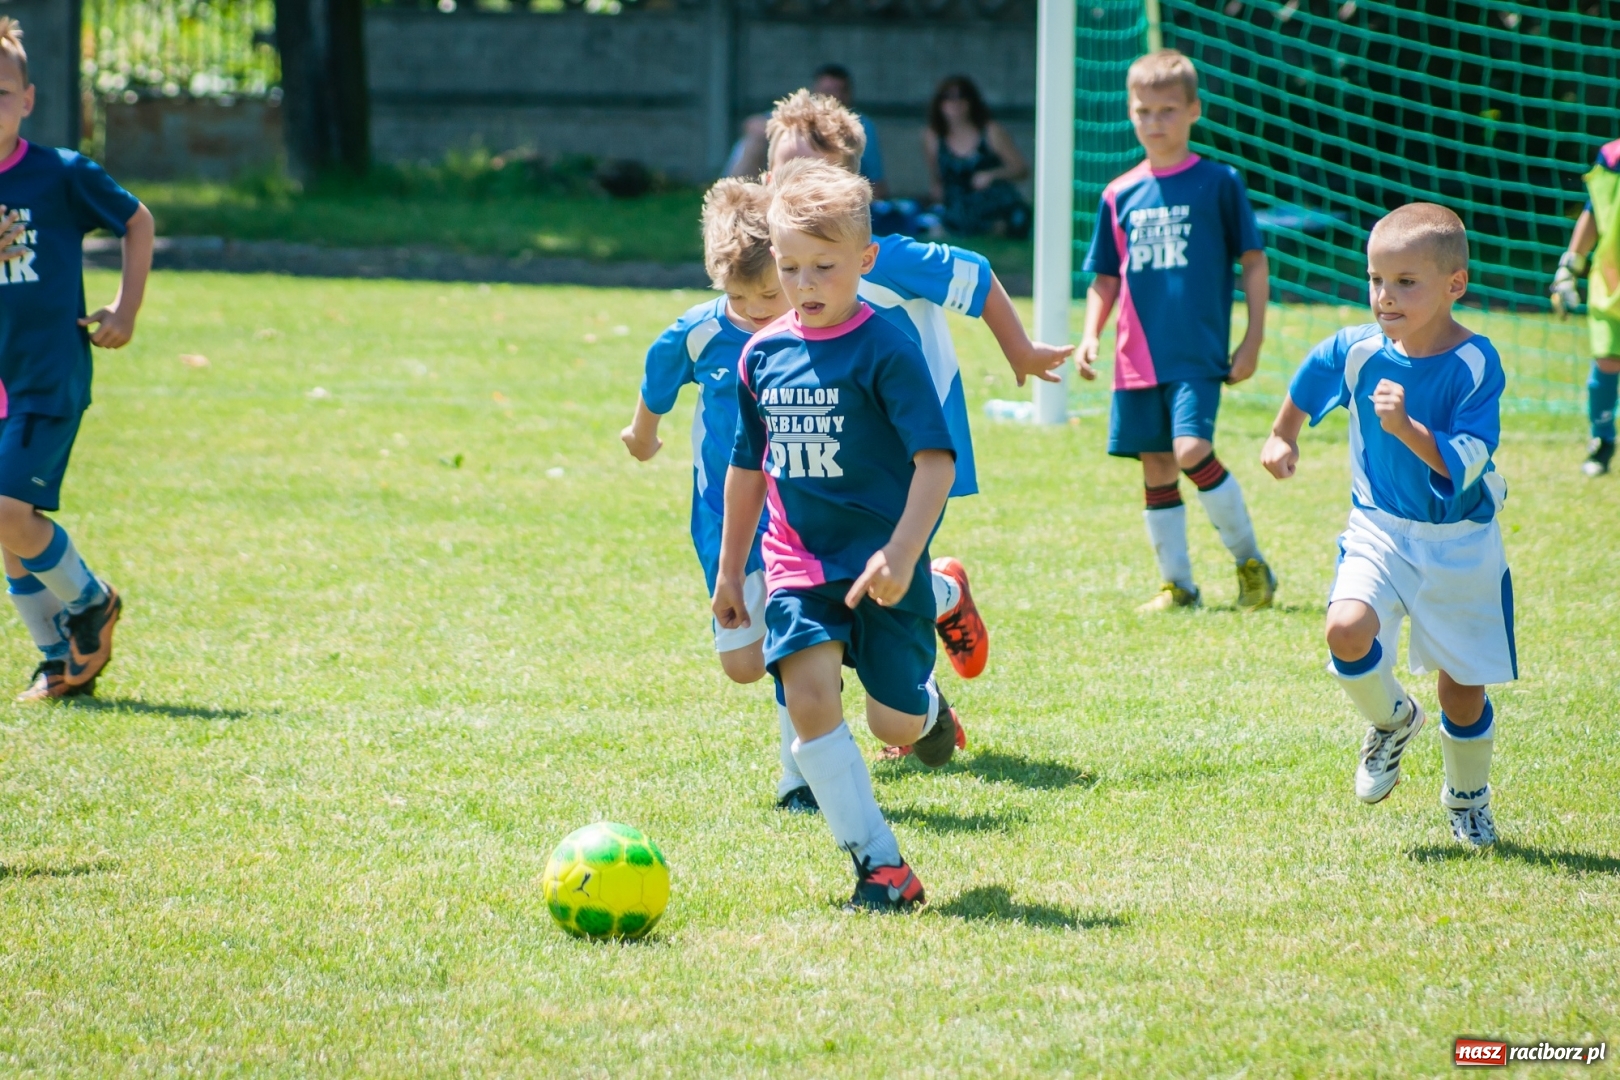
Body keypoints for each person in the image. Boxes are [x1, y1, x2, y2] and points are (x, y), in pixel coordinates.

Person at [762, 87, 1071, 757]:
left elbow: (978, 273)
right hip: (830, 460)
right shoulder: (786, 270)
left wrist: (1017, 349)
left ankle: (926, 629)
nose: (795, 184)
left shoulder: (888, 258)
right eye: (783, 171)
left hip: (914, 452)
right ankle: (932, 609)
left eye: (812, 170)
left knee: (888, 561)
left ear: (854, 186)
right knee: (844, 572)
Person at [714, 158, 955, 910]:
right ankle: (880, 866)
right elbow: (749, 467)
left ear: (865, 261)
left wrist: (904, 553)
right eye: (790, 268)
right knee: (810, 699)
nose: (805, 284)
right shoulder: (762, 353)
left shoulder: (886, 347)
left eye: (824, 266)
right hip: (797, 563)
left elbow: (934, 462)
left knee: (896, 721)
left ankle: (936, 669)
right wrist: (731, 572)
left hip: (884, 561)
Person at [1262, 203, 1513, 849]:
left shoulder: (1476, 364)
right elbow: (1312, 373)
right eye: (1376, 280)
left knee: (1461, 692)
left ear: (1454, 284)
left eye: (1406, 281)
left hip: (1459, 542)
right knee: (1344, 629)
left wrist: (1406, 427)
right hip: (1378, 528)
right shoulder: (1358, 350)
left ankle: (1467, 798)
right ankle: (1394, 722)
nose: (1385, 296)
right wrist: (1280, 435)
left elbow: (1464, 463)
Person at [622, 179, 823, 809]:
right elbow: (658, 382)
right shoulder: (699, 333)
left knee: (797, 645)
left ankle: (803, 778)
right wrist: (642, 434)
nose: (760, 307)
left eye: (771, 292)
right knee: (743, 663)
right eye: (741, 296)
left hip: (799, 518)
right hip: (721, 518)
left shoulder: (810, 328)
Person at [1076, 49, 1275, 613]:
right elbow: (1106, 278)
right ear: (1130, 113)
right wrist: (1092, 333)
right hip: (1136, 359)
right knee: (1158, 465)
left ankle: (1251, 564)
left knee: (1191, 449)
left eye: (1167, 110)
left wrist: (1252, 339)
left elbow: (1253, 261)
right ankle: (1178, 585)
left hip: (1195, 354)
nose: (1154, 122)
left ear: (1194, 111)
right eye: (1143, 111)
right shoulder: (1118, 193)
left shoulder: (1219, 183)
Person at [0, 18, 152, 702]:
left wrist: (124, 309)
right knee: (11, 525)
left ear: (27, 99)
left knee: (5, 509)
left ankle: (92, 603)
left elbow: (137, 220)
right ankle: (58, 658)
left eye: (0, 93)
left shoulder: (59, 173)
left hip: (45, 374)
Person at [1550, 137, 1620, 477]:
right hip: (1612, 283)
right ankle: (1602, 442)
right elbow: (1594, 210)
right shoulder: (1612, 157)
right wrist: (1569, 267)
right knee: (1606, 362)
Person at [723, 64, 888, 200]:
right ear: (814, 91)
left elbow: (877, 184)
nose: (832, 98)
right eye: (826, 91)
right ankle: (731, 199)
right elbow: (752, 124)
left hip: (835, 193)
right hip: (786, 184)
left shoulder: (861, 126)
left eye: (838, 91)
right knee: (752, 143)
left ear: (848, 94)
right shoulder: (800, 114)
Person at [922, 75, 1030, 239]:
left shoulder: (991, 132)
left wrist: (992, 175)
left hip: (992, 202)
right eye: (948, 98)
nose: (955, 103)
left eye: (961, 97)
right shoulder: (933, 137)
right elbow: (938, 180)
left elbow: (1021, 169)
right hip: (958, 205)